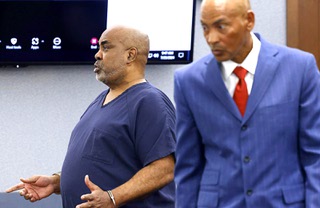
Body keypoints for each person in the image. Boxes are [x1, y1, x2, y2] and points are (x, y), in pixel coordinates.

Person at [6, 25, 176, 208]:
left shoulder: (149, 101)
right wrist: (56, 182)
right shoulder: (100, 101)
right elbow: (105, 165)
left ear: (130, 55)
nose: (97, 54)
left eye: (106, 47)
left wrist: (113, 198)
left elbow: (164, 169)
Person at [173, 0, 320, 207]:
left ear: (249, 21)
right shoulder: (188, 80)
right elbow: (188, 167)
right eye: (205, 28)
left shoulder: (299, 68)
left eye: (221, 27)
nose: (211, 38)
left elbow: (315, 155)